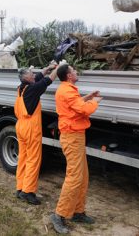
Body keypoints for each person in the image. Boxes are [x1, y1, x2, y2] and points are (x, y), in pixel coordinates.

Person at [50, 64, 102, 234]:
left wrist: (88, 97)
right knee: (74, 177)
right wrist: (94, 102)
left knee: (83, 176)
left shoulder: (67, 89)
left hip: (76, 136)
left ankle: (78, 211)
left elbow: (76, 104)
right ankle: (59, 215)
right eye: (73, 70)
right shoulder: (67, 90)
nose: (76, 72)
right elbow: (83, 109)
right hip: (72, 137)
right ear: (68, 75)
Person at [15, 63, 59, 205]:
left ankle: (20, 187)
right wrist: (59, 68)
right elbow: (48, 80)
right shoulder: (32, 89)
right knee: (33, 160)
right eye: (31, 74)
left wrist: (49, 67)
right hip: (30, 129)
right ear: (26, 78)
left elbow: (40, 76)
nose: (34, 75)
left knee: (23, 158)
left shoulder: (22, 88)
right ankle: (28, 192)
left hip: (21, 126)